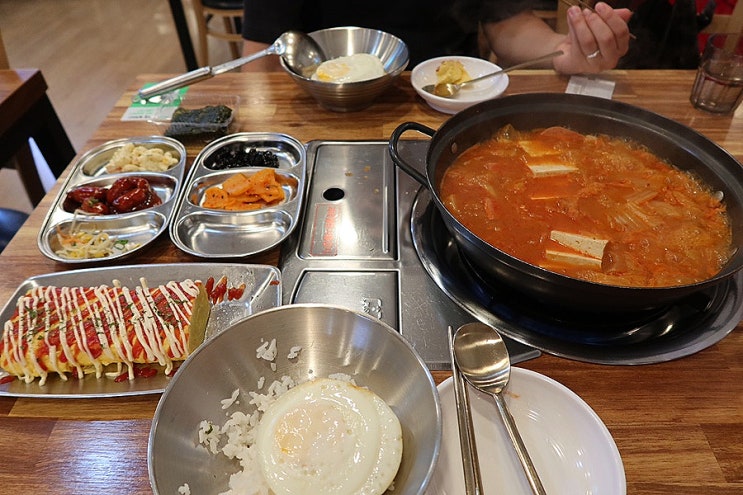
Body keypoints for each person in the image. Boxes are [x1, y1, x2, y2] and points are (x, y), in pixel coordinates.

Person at [241, 0, 633, 74]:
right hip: (325, 106)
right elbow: (262, 55)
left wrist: (561, 50)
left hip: (449, 105)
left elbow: (508, 25)